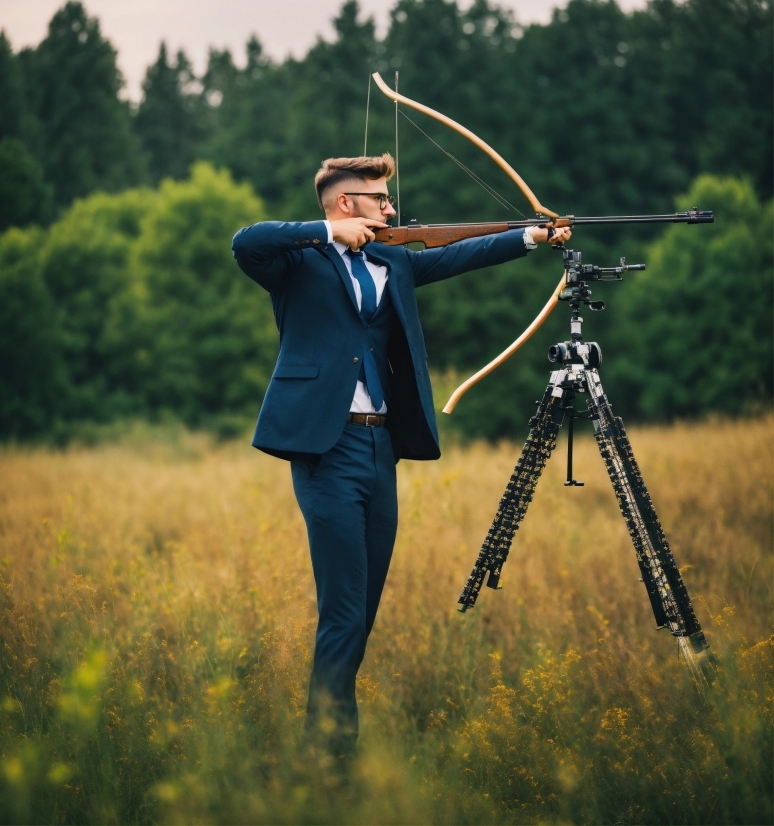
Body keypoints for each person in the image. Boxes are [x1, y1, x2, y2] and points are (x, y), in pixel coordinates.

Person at [231, 153, 570, 757]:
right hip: (324, 448)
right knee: (342, 611)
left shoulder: (390, 259)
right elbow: (245, 240)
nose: (391, 209)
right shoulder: (294, 262)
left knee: (362, 611)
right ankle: (331, 755)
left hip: (378, 446)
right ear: (344, 204)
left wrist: (529, 236)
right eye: (379, 198)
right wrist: (326, 233)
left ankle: (327, 736)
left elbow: (455, 253)